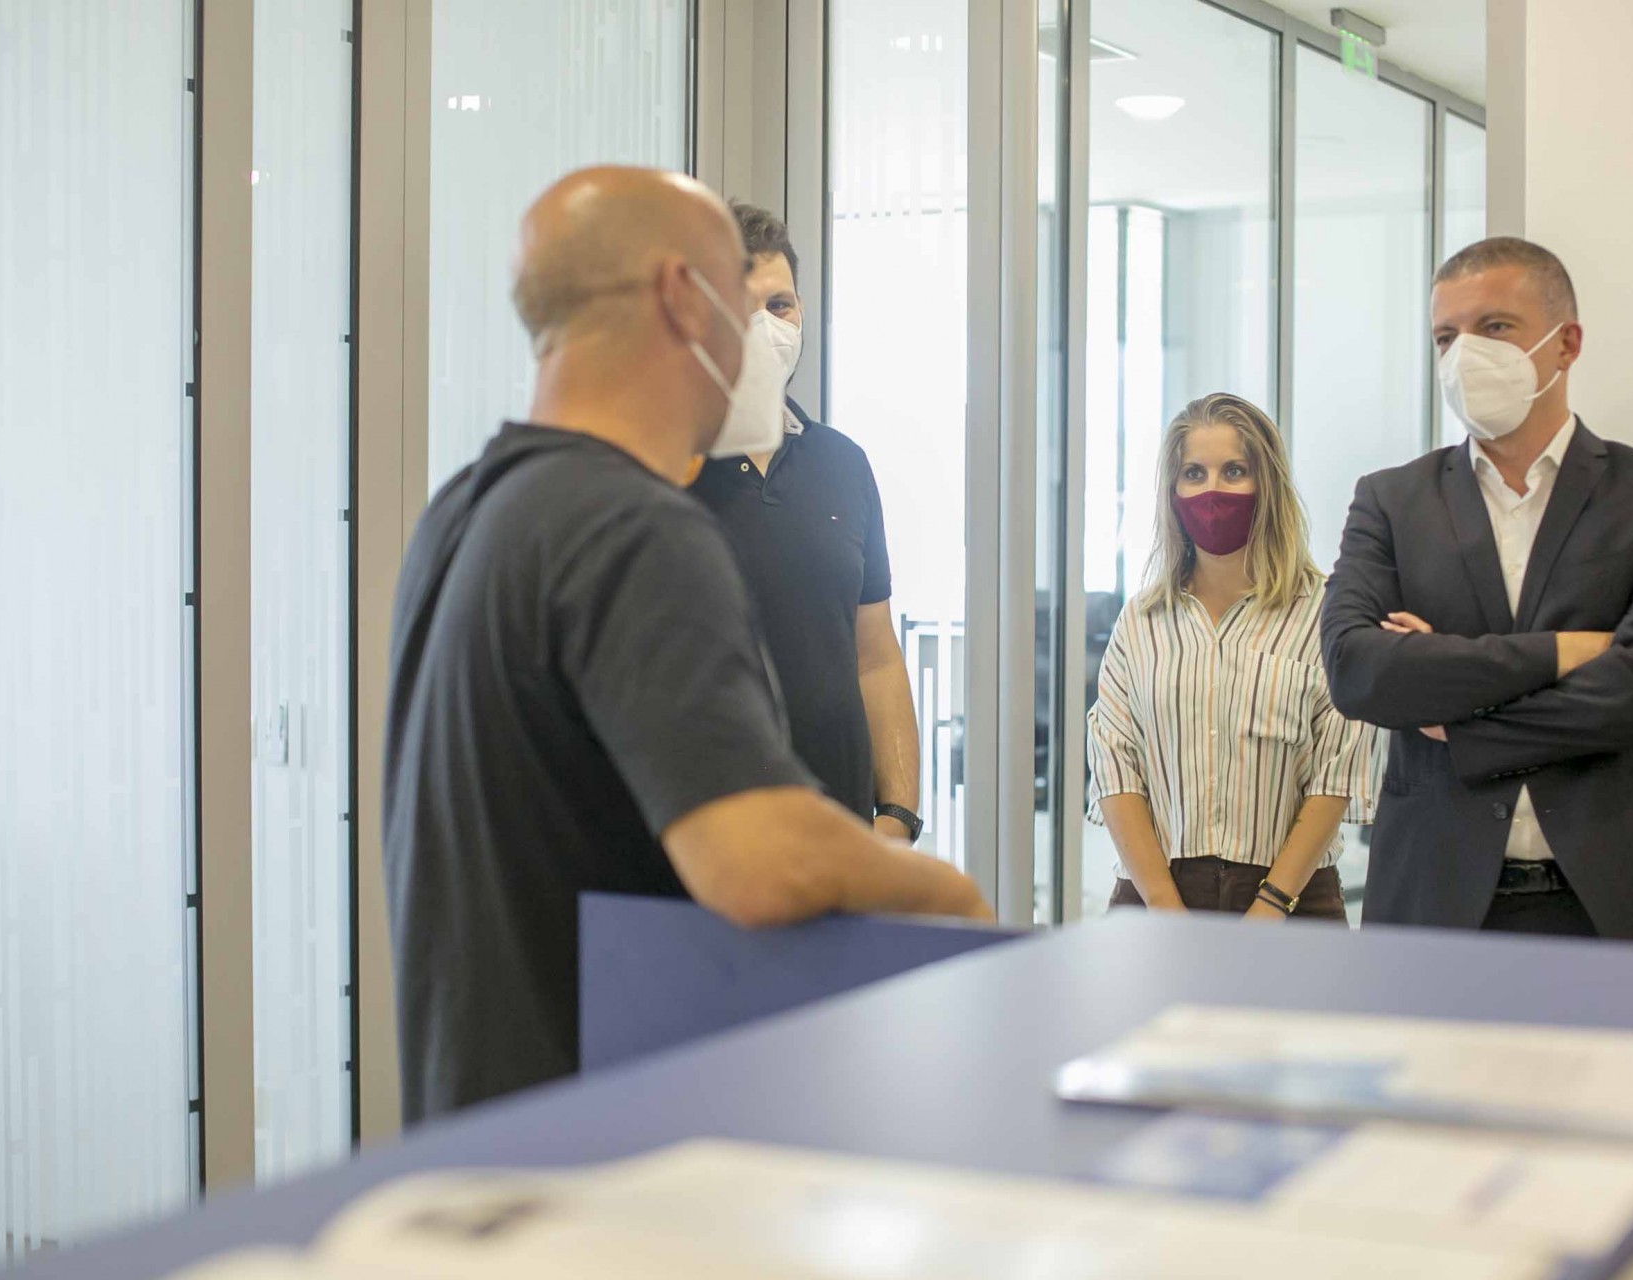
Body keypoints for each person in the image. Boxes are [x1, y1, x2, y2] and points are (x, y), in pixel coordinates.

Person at [383, 167, 991, 1124]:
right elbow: (760, 862)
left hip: (485, 1119)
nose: (759, 342)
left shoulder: (466, 510)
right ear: (680, 295)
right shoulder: (634, 530)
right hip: (618, 1126)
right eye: (738, 307)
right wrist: (944, 897)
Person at [1320, 237, 1633, 946]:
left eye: (1494, 327)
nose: (1464, 355)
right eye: (1445, 337)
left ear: (1566, 343)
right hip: (1436, 900)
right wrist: (1569, 652)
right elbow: (1357, 671)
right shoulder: (1391, 501)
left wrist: (1463, 721)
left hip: (1624, 900)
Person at [1087, 394, 1381, 921]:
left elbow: (1336, 773)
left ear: (1267, 484)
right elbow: (1115, 768)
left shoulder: (1325, 614)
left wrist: (1271, 905)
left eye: (1234, 471)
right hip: (1154, 895)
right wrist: (1164, 906)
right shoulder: (1141, 621)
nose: (1212, 490)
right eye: (1194, 473)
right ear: (1173, 490)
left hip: (1294, 900)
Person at [687, 203, 922, 843]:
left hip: (840, 835)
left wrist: (897, 817)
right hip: (708, 848)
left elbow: (875, 656)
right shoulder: (665, 470)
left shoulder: (843, 463)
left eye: (780, 305)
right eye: (743, 308)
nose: (767, 327)